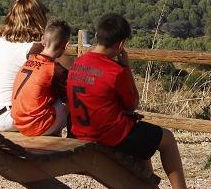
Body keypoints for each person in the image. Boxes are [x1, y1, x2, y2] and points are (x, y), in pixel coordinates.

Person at [68, 13, 187, 189]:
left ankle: (147, 184)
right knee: (167, 139)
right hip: (108, 136)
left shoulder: (78, 63)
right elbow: (132, 103)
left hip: (80, 131)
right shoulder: (115, 71)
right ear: (121, 44)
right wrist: (125, 66)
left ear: (98, 36)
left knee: (142, 137)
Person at [0, 0, 49, 132]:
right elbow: (67, 67)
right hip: (4, 117)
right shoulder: (33, 48)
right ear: (39, 19)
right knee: (60, 109)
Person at [12, 19, 72, 137]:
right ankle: (72, 138)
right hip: (38, 125)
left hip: (19, 123)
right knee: (70, 100)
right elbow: (71, 98)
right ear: (66, 45)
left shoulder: (29, 61)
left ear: (43, 40)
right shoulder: (55, 69)